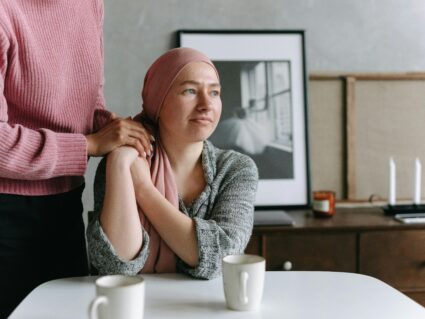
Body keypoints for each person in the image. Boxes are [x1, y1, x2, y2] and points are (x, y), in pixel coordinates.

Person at [0, 1, 153, 317]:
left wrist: (120, 129)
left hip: (67, 203)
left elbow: (90, 101)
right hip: (6, 214)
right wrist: (90, 144)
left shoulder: (90, 4)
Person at [87, 47, 259, 279]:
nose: (206, 105)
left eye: (215, 93)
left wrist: (144, 190)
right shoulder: (124, 160)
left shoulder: (236, 169)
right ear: (158, 100)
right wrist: (118, 161)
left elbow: (221, 258)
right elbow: (115, 267)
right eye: (190, 91)